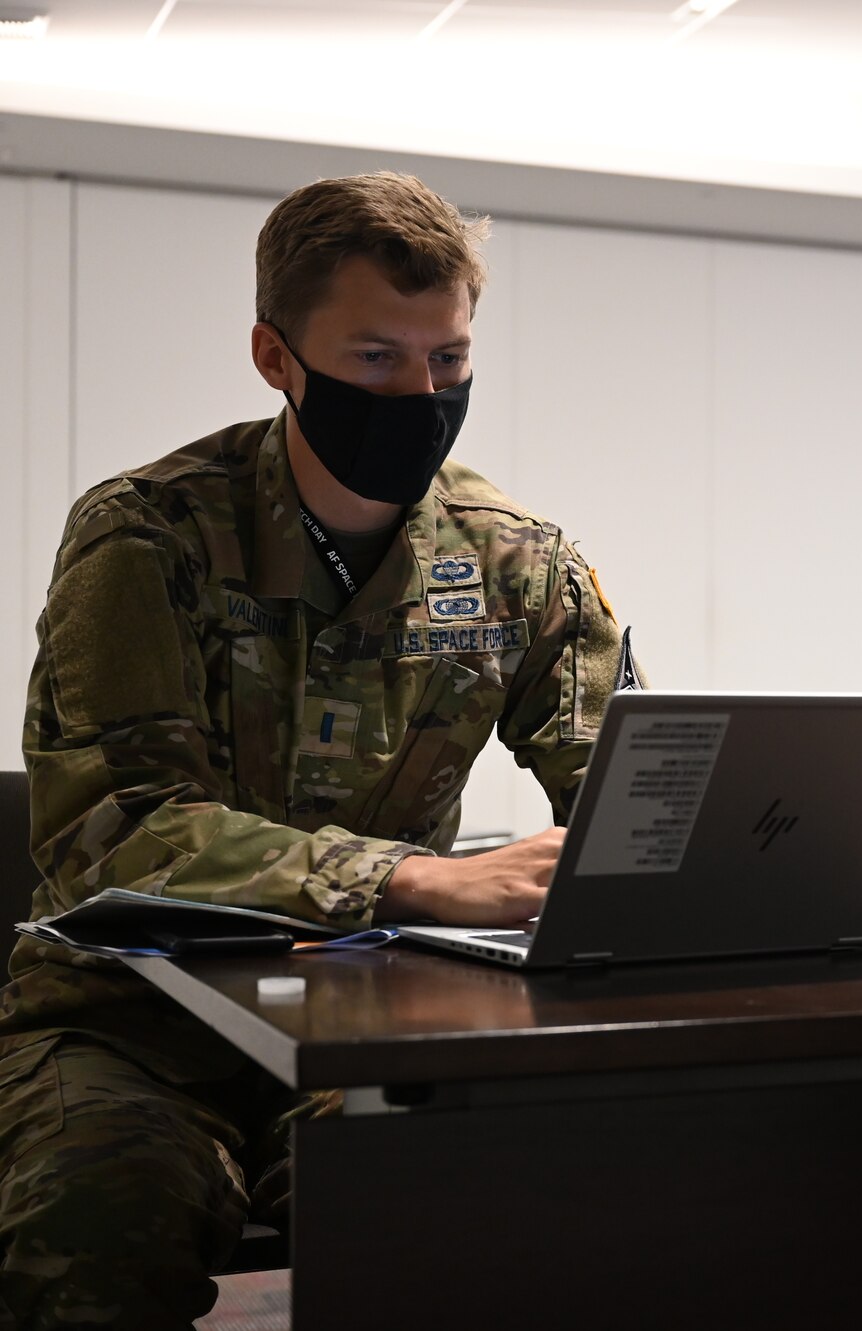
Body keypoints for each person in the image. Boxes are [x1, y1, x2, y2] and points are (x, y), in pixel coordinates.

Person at [0, 173, 632, 1330]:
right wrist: (408, 875)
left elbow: (631, 793)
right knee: (96, 1221)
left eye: (447, 360)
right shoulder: (148, 534)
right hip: (131, 1013)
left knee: (460, 1211)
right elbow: (116, 832)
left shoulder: (515, 561)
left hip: (371, 1005)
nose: (421, 393)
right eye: (377, 357)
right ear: (275, 356)